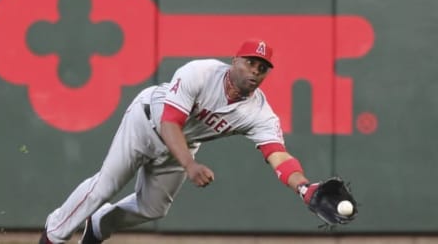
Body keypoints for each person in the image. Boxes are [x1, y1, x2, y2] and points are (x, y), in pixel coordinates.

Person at [39, 38, 320, 244]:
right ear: (234, 61)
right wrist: (190, 165)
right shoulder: (200, 72)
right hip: (146, 123)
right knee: (105, 186)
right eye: (250, 62)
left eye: (262, 68)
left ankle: (99, 225)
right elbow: (169, 122)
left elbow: (278, 156)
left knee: (153, 208)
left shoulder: (260, 113)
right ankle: (53, 235)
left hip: (181, 147)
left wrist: (304, 188)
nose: (255, 71)